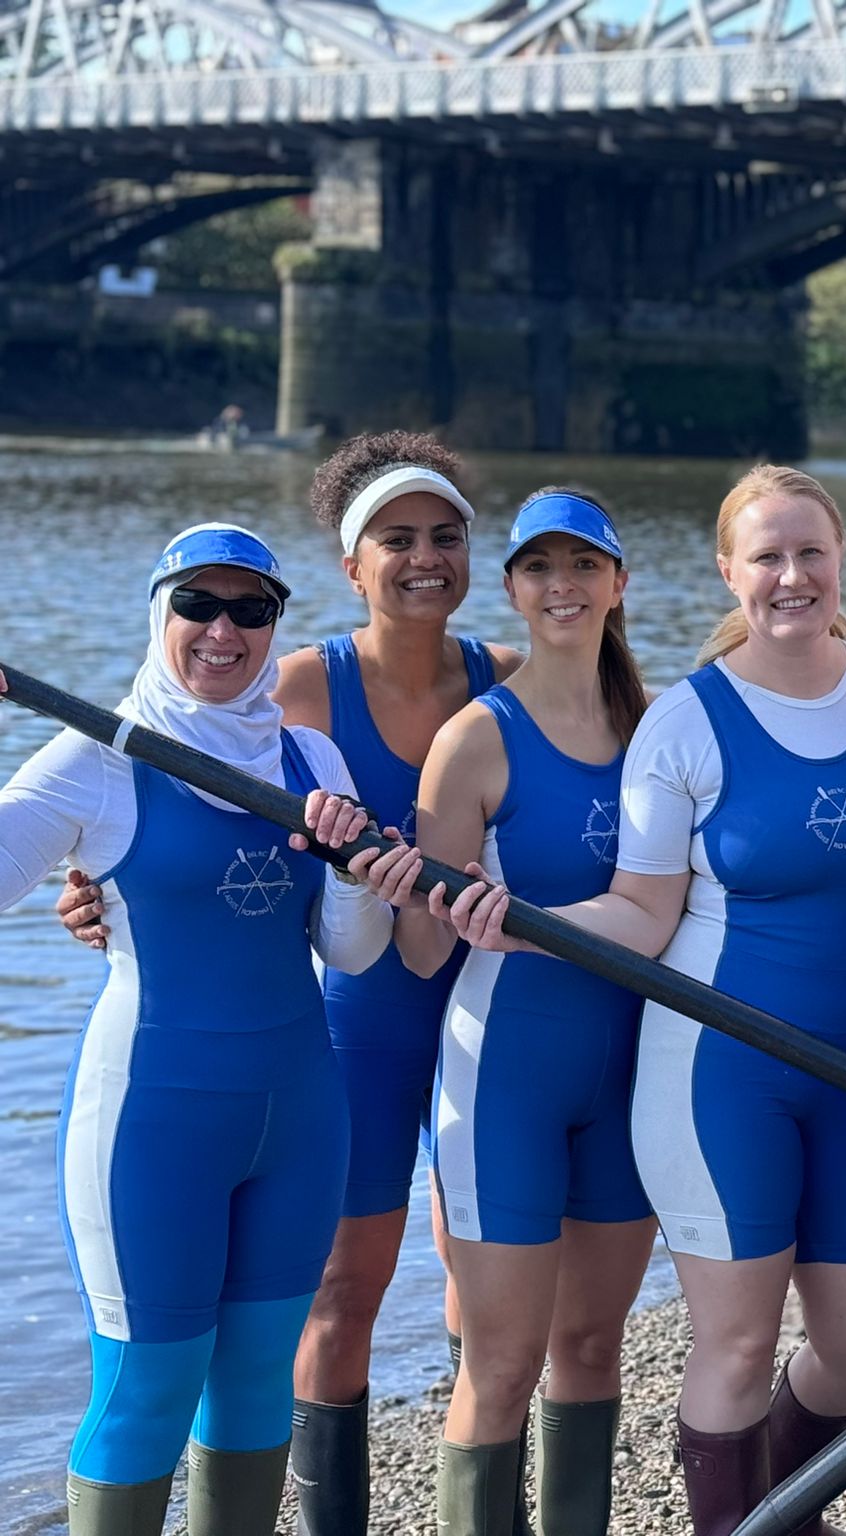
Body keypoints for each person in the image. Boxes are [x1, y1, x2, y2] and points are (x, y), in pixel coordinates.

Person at [443, 466, 846, 1536]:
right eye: (766, 557)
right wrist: (520, 917)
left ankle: (779, 1512)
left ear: (840, 558)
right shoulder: (685, 724)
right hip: (717, 1072)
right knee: (740, 1346)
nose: (791, 576)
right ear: (728, 573)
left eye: (809, 552)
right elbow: (639, 915)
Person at [57, 434, 524, 1536]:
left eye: (444, 538)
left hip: (478, 1014)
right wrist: (100, 895)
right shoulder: (297, 683)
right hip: (346, 1030)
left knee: (476, 1293)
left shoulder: (506, 676)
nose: (422, 559)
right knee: (336, 1297)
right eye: (394, 541)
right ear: (351, 566)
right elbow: (173, 820)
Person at [0, 524, 404, 1535]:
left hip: (299, 1116)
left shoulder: (307, 753)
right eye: (198, 606)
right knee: (149, 1389)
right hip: (151, 1122)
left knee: (260, 1382)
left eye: (251, 611)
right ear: (159, 614)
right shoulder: (95, 756)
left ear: (274, 625)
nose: (223, 632)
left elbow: (351, 952)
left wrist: (355, 869)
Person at [390, 489, 657, 1535]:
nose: (563, 587)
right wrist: (408, 888)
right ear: (510, 588)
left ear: (618, 585)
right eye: (541, 569)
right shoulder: (473, 740)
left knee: (592, 1351)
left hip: (627, 1076)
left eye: (584, 566)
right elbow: (419, 951)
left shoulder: (655, 725)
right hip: (506, 1075)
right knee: (501, 1365)